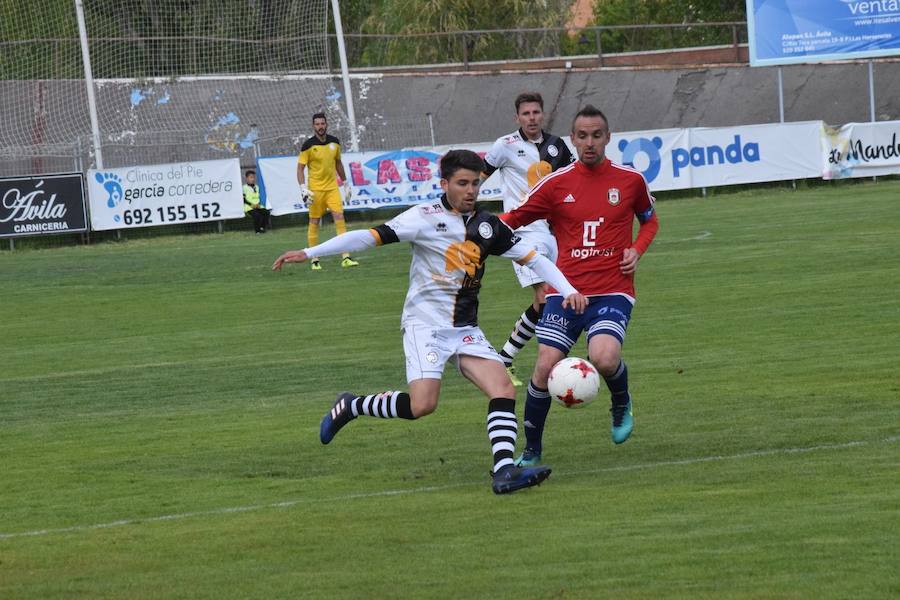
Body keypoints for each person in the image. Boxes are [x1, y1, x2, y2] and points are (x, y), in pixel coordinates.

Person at [273, 150, 587, 494]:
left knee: (502, 388)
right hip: (425, 326)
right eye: (462, 183)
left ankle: (504, 472)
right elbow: (367, 237)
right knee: (423, 405)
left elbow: (534, 259)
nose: (471, 190)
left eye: (476, 183)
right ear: (444, 183)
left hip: (465, 329)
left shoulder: (488, 226)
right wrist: (311, 252)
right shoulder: (423, 217)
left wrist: (568, 289)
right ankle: (352, 404)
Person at [500, 105, 660, 467]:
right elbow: (515, 217)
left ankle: (620, 402)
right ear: (573, 139)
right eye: (582, 136)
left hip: (612, 289)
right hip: (565, 290)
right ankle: (531, 449)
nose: (590, 143)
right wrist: (478, 230)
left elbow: (649, 221)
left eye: (597, 135)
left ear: (608, 137)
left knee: (604, 357)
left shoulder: (630, 180)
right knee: (544, 367)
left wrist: (637, 249)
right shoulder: (556, 184)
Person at [484, 92, 574, 387]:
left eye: (536, 112)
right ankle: (549, 362)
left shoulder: (557, 146)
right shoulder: (505, 146)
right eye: (526, 114)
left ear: (542, 115)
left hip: (550, 232)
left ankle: (505, 358)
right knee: (544, 297)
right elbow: (479, 176)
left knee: (551, 300)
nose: (532, 118)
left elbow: (578, 177)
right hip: (520, 233)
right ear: (517, 118)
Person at [297, 112, 358, 270]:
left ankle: (346, 257)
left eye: (322, 123)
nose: (320, 127)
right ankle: (314, 259)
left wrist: (345, 183)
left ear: (327, 124)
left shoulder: (334, 143)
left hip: (332, 188)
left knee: (339, 216)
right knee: (314, 222)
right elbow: (300, 168)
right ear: (313, 126)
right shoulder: (308, 146)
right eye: (317, 124)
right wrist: (303, 188)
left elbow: (338, 163)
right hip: (315, 190)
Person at [242, 169, 270, 234]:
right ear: (247, 178)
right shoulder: (244, 188)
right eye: (251, 177)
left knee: (266, 212)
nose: (253, 179)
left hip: (258, 205)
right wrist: (250, 204)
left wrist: (258, 204)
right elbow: (243, 199)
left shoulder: (257, 187)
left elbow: (260, 197)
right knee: (257, 216)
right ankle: (257, 231)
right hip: (249, 207)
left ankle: (262, 227)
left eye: (254, 177)